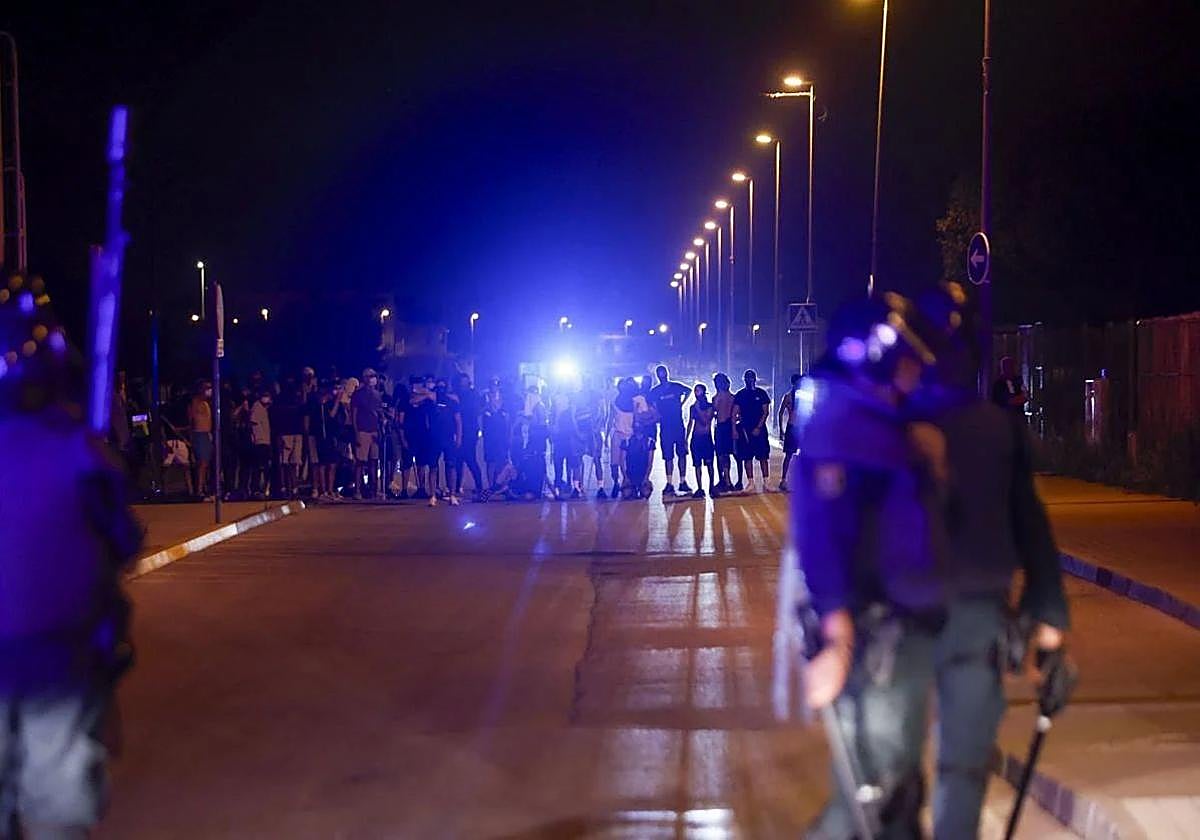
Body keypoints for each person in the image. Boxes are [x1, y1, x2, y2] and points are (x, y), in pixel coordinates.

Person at [912, 282, 1074, 838]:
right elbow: (1030, 522)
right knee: (959, 761)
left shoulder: (885, 424)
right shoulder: (997, 428)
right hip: (971, 612)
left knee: (886, 770)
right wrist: (1048, 612)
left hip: (901, 614)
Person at [791, 295, 947, 839]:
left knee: (892, 798)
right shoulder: (847, 429)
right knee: (875, 799)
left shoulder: (879, 424)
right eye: (905, 358)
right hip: (877, 636)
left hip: (898, 630)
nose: (915, 369)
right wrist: (837, 636)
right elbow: (822, 540)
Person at [0, 275, 141, 839]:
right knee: (58, 810)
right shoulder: (79, 452)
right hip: (57, 661)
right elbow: (124, 542)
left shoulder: (78, 451)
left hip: (57, 655)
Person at [649, 365, 692, 495]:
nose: (662, 376)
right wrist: (657, 412)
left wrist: (682, 403)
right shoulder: (655, 391)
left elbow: (689, 390)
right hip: (665, 426)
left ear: (667, 374)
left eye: (664, 373)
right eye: (660, 374)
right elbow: (651, 402)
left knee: (682, 454)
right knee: (668, 456)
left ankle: (683, 481)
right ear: (657, 376)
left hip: (678, 425)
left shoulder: (675, 386)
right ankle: (669, 483)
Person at [733, 369, 771, 493]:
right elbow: (735, 412)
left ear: (755, 379)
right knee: (747, 457)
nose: (749, 380)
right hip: (745, 430)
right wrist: (735, 428)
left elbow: (765, 412)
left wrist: (758, 427)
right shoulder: (740, 394)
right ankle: (750, 483)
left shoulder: (762, 393)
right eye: (747, 378)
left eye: (751, 378)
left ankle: (766, 482)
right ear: (744, 380)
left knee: (763, 456)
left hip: (760, 430)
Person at [350, 368, 383, 499]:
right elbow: (354, 414)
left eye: (374, 376)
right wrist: (356, 432)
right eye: (370, 376)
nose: (372, 378)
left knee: (374, 461)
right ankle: (357, 490)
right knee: (360, 462)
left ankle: (373, 490)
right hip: (362, 430)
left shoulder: (377, 394)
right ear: (364, 378)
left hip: (374, 431)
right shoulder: (358, 395)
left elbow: (379, 412)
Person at [430, 377, 463, 505]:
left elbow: (458, 421)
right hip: (434, 438)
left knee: (451, 466)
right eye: (439, 387)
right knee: (433, 467)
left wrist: (459, 437)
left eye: (443, 387)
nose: (441, 389)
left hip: (449, 438)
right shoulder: (432, 401)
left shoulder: (452, 401)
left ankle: (452, 495)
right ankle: (432, 495)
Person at [453, 374, 484, 499]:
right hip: (459, 430)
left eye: (465, 383)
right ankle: (456, 488)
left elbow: (474, 410)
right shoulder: (458, 393)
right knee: (458, 460)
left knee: (470, 459)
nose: (463, 385)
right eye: (462, 383)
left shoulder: (472, 395)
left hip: (470, 431)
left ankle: (479, 487)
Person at [272, 383, 305, 499]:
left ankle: (293, 488)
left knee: (293, 462)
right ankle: (285, 487)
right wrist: (280, 435)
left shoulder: (297, 399)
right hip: (286, 434)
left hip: (296, 433)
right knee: (285, 463)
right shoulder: (281, 400)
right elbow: (278, 418)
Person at [607, 378, 636, 499]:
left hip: (631, 436)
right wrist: (606, 436)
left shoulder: (635, 402)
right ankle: (615, 483)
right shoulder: (614, 402)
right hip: (617, 435)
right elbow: (610, 419)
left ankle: (629, 483)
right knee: (615, 462)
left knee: (629, 462)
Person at [550, 390, 582, 498]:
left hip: (561, 439)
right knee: (572, 464)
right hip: (567, 440)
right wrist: (579, 436)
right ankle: (573, 488)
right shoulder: (570, 408)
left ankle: (560, 489)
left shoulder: (555, 402)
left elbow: (552, 420)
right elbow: (572, 424)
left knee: (560, 465)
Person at [686, 382, 716, 498]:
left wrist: (698, 409)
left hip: (706, 438)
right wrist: (686, 439)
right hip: (696, 438)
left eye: (698, 390)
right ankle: (699, 488)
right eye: (695, 391)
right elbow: (690, 423)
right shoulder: (693, 407)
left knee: (709, 464)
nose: (696, 393)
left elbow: (705, 421)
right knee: (697, 465)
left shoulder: (709, 406)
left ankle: (711, 486)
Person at [187, 379, 214, 499]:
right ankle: (199, 491)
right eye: (207, 388)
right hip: (199, 435)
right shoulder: (195, 402)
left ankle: (203, 488)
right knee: (201, 463)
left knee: (206, 463)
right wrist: (191, 436)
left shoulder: (207, 403)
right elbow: (191, 420)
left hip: (207, 434)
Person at [777, 373, 802, 492]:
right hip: (792, 427)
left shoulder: (804, 396)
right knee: (788, 455)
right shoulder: (788, 396)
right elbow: (780, 413)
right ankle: (783, 480)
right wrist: (781, 430)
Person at [481, 389, 511, 488]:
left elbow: (507, 425)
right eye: (493, 396)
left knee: (502, 461)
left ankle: (501, 485)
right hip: (490, 441)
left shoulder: (504, 411)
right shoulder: (486, 410)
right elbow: (484, 425)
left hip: (502, 441)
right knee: (491, 463)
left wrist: (508, 438)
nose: (496, 399)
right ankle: (491, 486)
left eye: (498, 397)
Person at [712, 372, 736, 492]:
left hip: (722, 427)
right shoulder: (732, 397)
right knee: (726, 454)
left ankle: (725, 480)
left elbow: (715, 409)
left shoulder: (719, 396)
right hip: (728, 426)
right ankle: (727, 479)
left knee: (721, 454)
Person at [249, 390, 273, 498]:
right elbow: (253, 422)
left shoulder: (264, 409)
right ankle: (255, 489)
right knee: (258, 467)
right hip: (259, 442)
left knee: (264, 467)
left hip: (265, 441)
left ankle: (262, 489)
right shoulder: (256, 406)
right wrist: (255, 437)